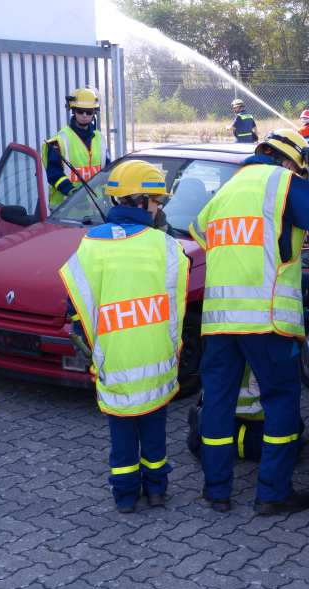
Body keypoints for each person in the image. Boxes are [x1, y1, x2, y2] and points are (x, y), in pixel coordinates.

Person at [188, 129, 309, 515]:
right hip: (267, 321)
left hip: (219, 323)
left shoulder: (227, 191)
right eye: (300, 170)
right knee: (281, 401)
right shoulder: (284, 183)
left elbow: (200, 230)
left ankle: (216, 491)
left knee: (218, 404)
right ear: (287, 162)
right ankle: (272, 493)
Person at [59, 160, 189, 514]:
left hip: (113, 361)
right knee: (154, 432)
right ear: (140, 199)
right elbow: (176, 306)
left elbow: (76, 308)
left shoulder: (89, 247)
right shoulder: (164, 246)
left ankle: (126, 496)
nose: (159, 207)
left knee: (121, 437)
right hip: (157, 360)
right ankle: (158, 489)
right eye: (156, 201)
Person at [42, 87, 110, 211]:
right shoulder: (59, 141)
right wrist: (72, 193)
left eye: (89, 112)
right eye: (80, 111)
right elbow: (53, 174)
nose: (84, 115)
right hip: (66, 210)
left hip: (96, 210)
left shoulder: (100, 139)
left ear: (94, 112)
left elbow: (108, 170)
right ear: (73, 111)